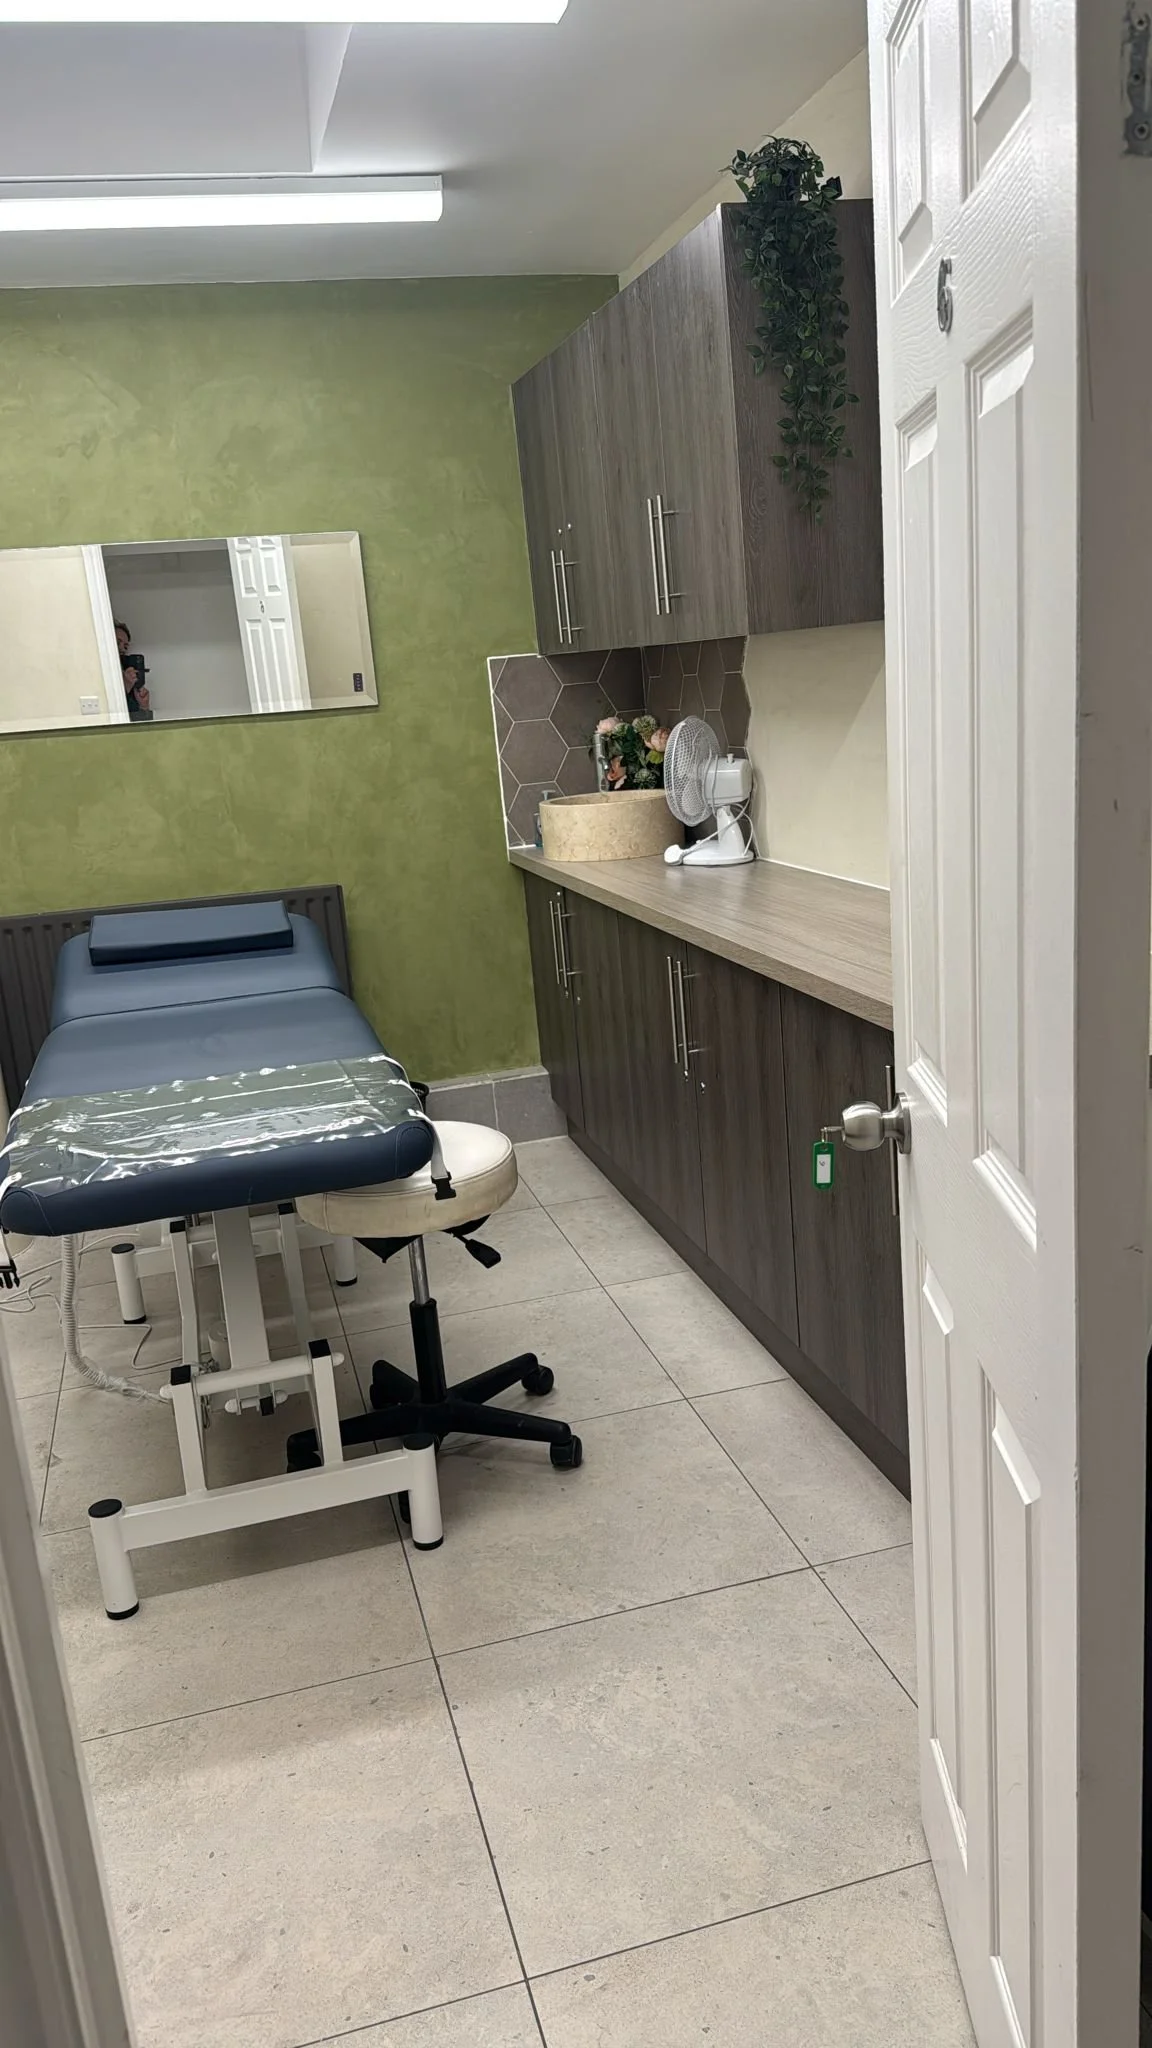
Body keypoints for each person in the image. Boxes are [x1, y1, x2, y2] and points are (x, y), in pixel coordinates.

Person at [115, 620, 153, 722]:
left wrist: (144, 706)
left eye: (125, 646)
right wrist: (125, 687)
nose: (122, 648)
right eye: (117, 642)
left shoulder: (127, 672)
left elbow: (143, 726)